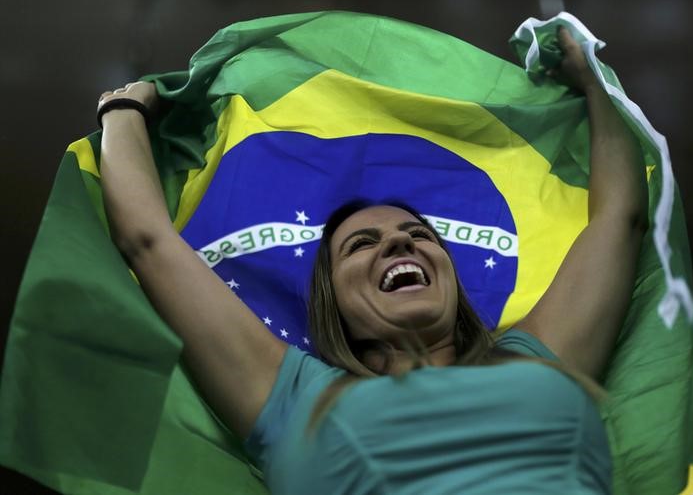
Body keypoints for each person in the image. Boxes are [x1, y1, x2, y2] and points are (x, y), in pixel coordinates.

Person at [97, 28, 646, 494]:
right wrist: (123, 112)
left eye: (417, 235)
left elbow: (619, 220)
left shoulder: (536, 356)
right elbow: (150, 244)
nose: (399, 244)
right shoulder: (290, 397)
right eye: (361, 244)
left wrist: (592, 80)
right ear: (331, 297)